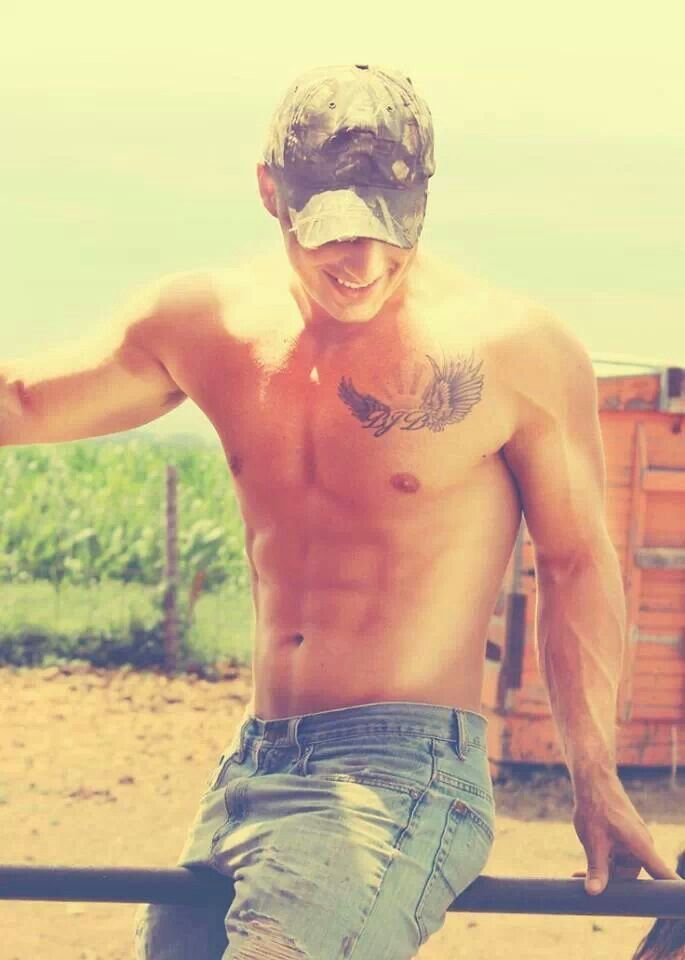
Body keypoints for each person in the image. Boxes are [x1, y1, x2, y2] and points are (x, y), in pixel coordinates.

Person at [1, 63, 680, 958]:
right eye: (332, 232)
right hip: (253, 760)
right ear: (269, 192)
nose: (361, 265)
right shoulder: (207, 324)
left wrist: (595, 775)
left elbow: (576, 561)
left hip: (401, 775)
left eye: (388, 231)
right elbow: (23, 403)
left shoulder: (509, 348)